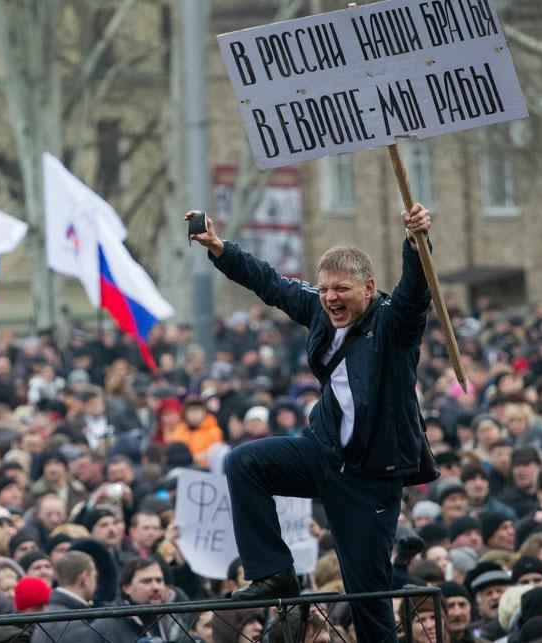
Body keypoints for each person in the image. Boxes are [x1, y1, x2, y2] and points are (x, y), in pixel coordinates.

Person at [185, 203, 433, 643]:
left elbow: (416, 294)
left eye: (341, 289)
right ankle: (274, 572)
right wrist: (221, 249)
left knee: (368, 598)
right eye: (323, 290)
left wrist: (415, 242)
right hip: (323, 452)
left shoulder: (394, 325)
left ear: (369, 287)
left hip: (369, 476)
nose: (330, 299)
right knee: (244, 463)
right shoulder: (319, 310)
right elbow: (271, 283)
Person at [31, 551, 98, 643]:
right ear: (85, 578)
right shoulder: (74, 625)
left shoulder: (50, 611)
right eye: (95, 576)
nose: (96, 582)